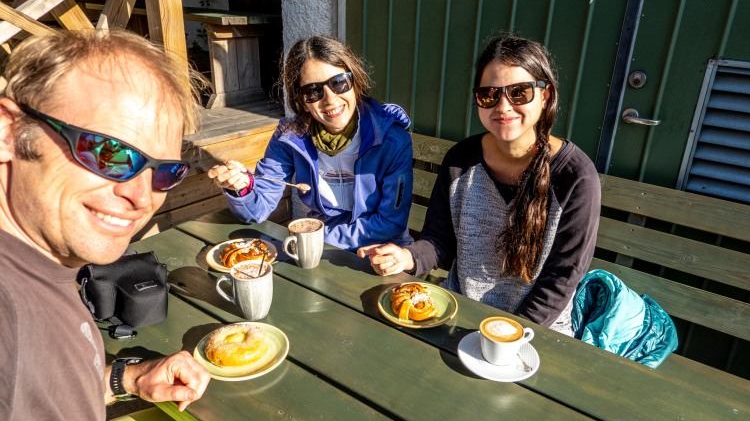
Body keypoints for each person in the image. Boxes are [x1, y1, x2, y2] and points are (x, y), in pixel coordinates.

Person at [0, 29, 211, 421]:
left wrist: (127, 379)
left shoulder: (42, 260)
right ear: (9, 131)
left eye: (164, 172)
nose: (140, 195)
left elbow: (46, 389)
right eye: (109, 151)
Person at [359, 34, 601, 335]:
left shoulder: (575, 177)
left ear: (546, 96)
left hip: (534, 330)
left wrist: (507, 333)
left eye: (519, 92)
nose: (503, 106)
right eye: (489, 94)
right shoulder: (461, 159)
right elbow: (440, 240)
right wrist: (407, 257)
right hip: (458, 313)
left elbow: (561, 280)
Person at [208, 35, 413, 251]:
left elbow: (390, 223)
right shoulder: (290, 138)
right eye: (313, 91)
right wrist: (241, 188)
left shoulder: (391, 140)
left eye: (339, 83)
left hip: (382, 250)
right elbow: (256, 211)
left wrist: (315, 238)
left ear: (355, 84)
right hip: (317, 245)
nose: (330, 99)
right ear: (302, 102)